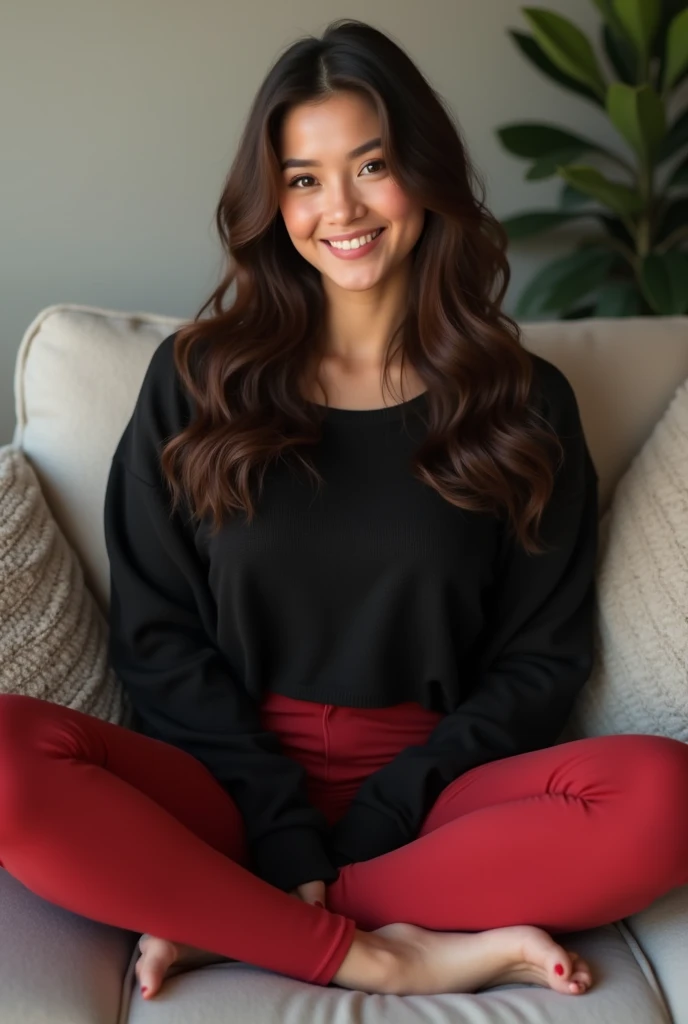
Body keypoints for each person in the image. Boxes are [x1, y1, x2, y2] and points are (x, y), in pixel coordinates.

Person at [1, 16, 687, 1005]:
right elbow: (157, 636)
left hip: (439, 796)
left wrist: (379, 816)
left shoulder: (521, 400)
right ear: (270, 198)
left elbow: (541, 659)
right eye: (304, 177)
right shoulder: (196, 383)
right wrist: (276, 823)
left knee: (665, 794)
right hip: (222, 779)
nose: (342, 208)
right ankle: (383, 946)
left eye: (370, 165)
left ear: (423, 172)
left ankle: (233, 915)